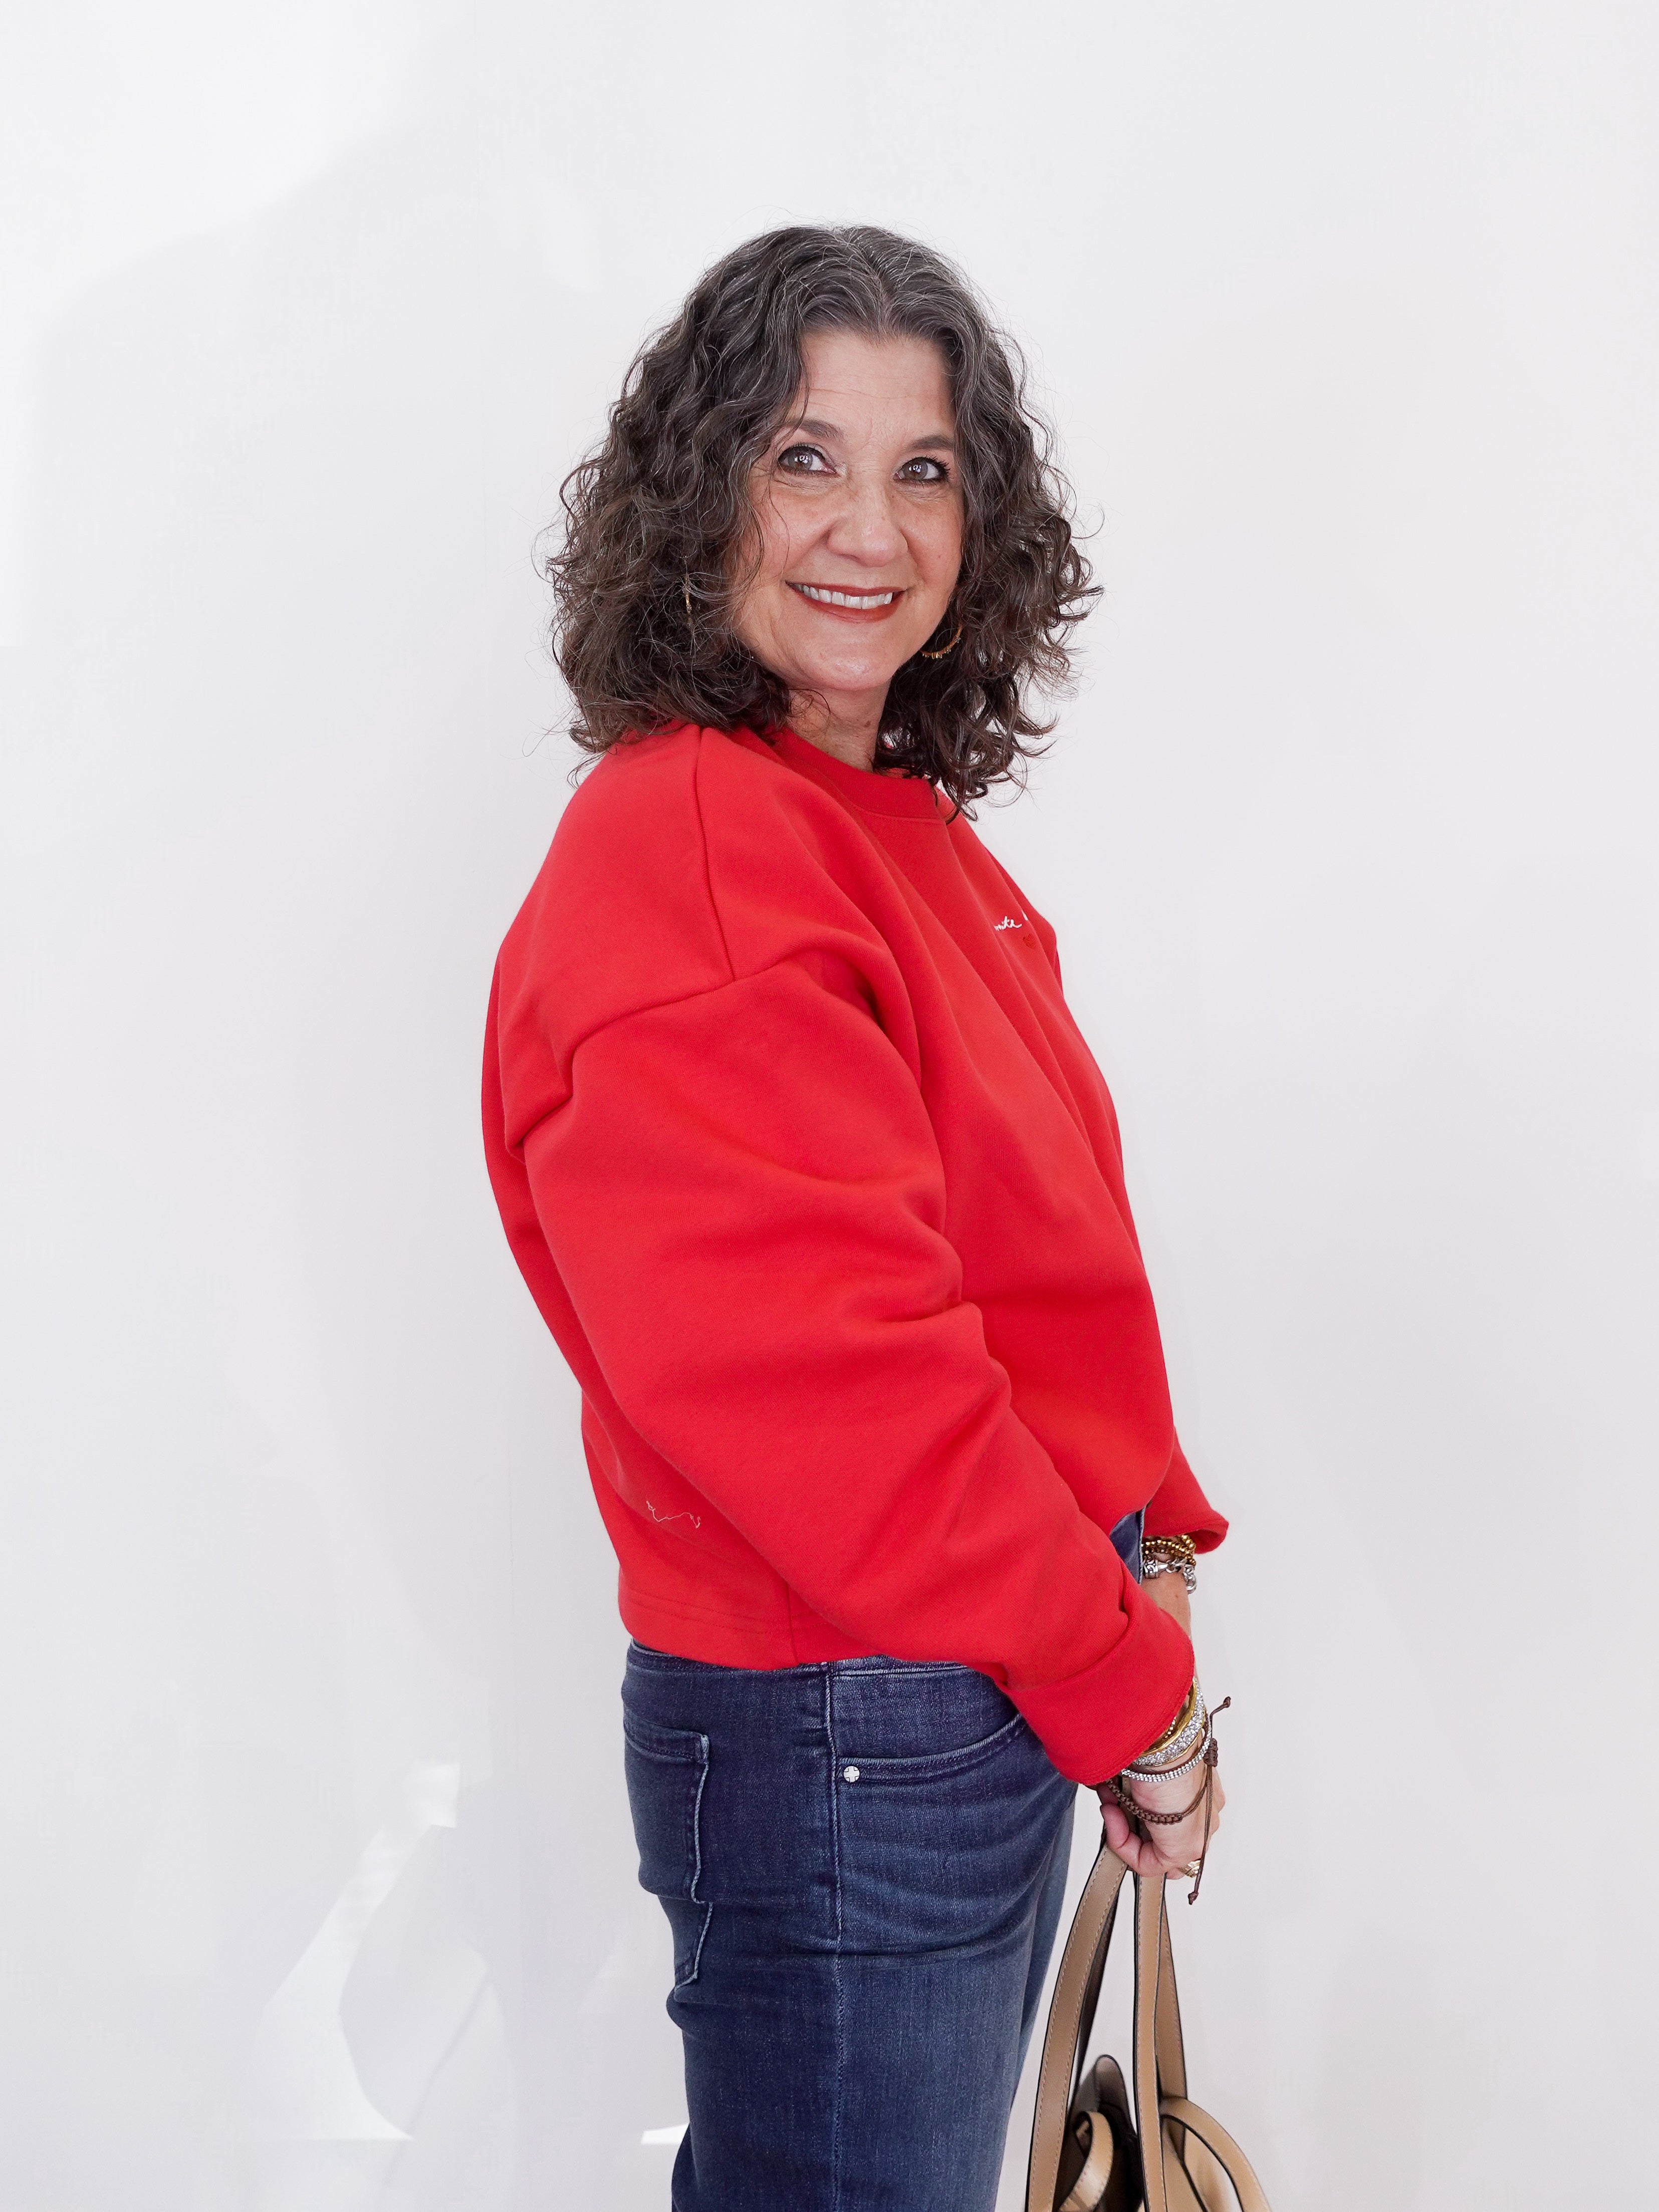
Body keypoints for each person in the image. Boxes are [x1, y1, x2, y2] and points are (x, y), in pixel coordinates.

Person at [482, 225, 1229, 2212]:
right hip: (860, 1723)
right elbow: (839, 1395)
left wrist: (1138, 1558)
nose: (870, 529)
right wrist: (1127, 1688)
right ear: (701, 489)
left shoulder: (872, 835)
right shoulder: (708, 846)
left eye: (926, 470)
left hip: (935, 1698)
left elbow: (1020, 1283)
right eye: (805, 458)